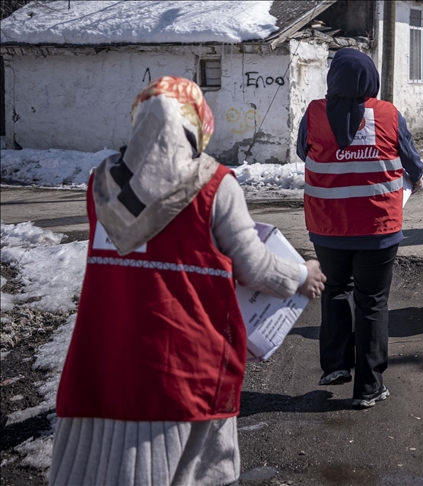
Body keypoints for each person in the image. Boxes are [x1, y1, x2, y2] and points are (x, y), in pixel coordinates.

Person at [49, 76, 326, 486]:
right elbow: (253, 266)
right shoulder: (213, 186)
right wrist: (302, 274)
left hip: (104, 361)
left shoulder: (100, 186)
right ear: (196, 126)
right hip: (182, 367)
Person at [296, 48, 423, 408]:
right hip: (378, 228)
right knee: (372, 302)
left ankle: (336, 365)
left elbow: (302, 152)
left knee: (336, 288)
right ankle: (369, 387)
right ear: (371, 79)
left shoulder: (314, 113)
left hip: (327, 226)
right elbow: (414, 163)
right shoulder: (388, 114)